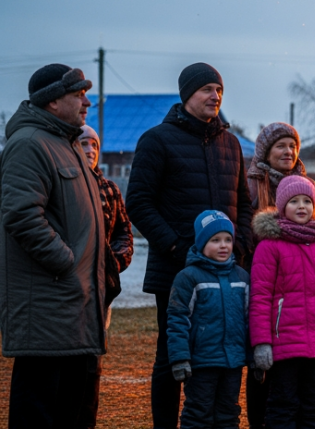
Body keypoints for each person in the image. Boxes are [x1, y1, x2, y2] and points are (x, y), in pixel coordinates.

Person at [125, 62, 254, 429]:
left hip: (226, 274)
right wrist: (178, 249)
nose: (216, 96)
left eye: (220, 91)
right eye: (207, 90)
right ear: (187, 95)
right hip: (176, 271)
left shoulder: (230, 144)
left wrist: (240, 244)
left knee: (222, 356)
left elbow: (243, 203)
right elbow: (139, 202)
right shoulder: (157, 140)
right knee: (171, 357)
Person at [0, 64, 106, 428]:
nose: (86, 101)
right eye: (78, 95)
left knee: (71, 414)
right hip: (46, 311)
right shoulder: (30, 144)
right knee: (40, 413)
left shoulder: (68, 144)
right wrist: (66, 262)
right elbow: (20, 215)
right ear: (52, 101)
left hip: (74, 308)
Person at [249, 175, 315, 429]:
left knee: (313, 406)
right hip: (284, 344)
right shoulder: (270, 246)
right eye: (294, 201)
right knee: (282, 406)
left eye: (307, 201)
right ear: (282, 206)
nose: (302, 206)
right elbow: (260, 297)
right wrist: (261, 343)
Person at [244, 121, 315, 429]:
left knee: (297, 375)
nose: (288, 151)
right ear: (266, 150)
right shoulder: (252, 184)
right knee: (262, 366)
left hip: (300, 286)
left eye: (292, 146)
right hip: (263, 281)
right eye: (281, 146)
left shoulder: (308, 185)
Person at [166, 211, 249, 429]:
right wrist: (180, 357)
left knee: (229, 414)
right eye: (215, 240)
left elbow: (250, 318)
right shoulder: (189, 277)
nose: (223, 246)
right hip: (201, 362)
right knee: (198, 413)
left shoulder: (241, 277)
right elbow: (177, 319)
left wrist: (252, 355)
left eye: (228, 240)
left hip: (233, 362)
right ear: (202, 243)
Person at [78, 124, 134, 312]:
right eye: (83, 144)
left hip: (102, 281)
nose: (90, 151)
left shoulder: (110, 190)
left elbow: (124, 232)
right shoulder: (63, 188)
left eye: (94, 145)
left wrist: (114, 264)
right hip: (70, 279)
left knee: (100, 335)